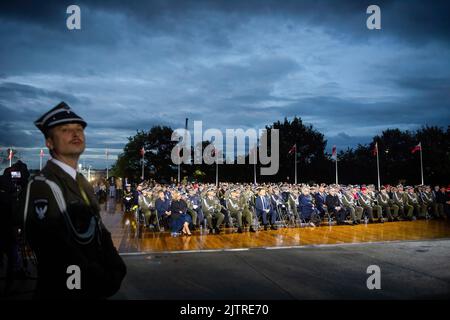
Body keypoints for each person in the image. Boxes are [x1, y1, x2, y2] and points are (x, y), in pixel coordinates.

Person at [23, 101, 126, 299]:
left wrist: (117, 267)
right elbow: (53, 248)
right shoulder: (42, 185)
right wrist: (97, 278)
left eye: (79, 129)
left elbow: (99, 231)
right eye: (65, 129)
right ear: (49, 142)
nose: (75, 133)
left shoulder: (83, 183)